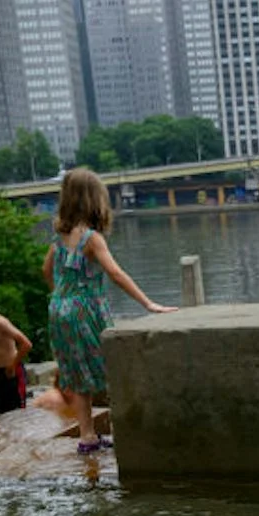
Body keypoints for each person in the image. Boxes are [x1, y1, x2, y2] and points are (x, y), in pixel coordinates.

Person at [43, 168, 177, 454]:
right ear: (95, 200)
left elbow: (46, 270)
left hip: (59, 307)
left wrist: (61, 295)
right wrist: (149, 303)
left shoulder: (59, 237)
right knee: (107, 367)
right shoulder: (90, 238)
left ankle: (88, 436)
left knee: (78, 374)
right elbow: (115, 273)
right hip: (85, 307)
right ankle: (125, 428)